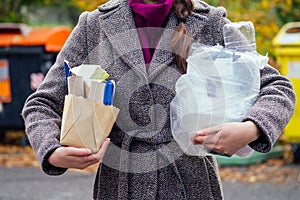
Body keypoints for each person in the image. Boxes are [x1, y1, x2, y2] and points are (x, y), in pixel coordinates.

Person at [22, 0, 295, 199]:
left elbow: (277, 87)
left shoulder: (210, 22)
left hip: (193, 185)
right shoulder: (94, 26)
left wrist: (251, 128)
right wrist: (53, 151)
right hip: (118, 187)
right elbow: (42, 104)